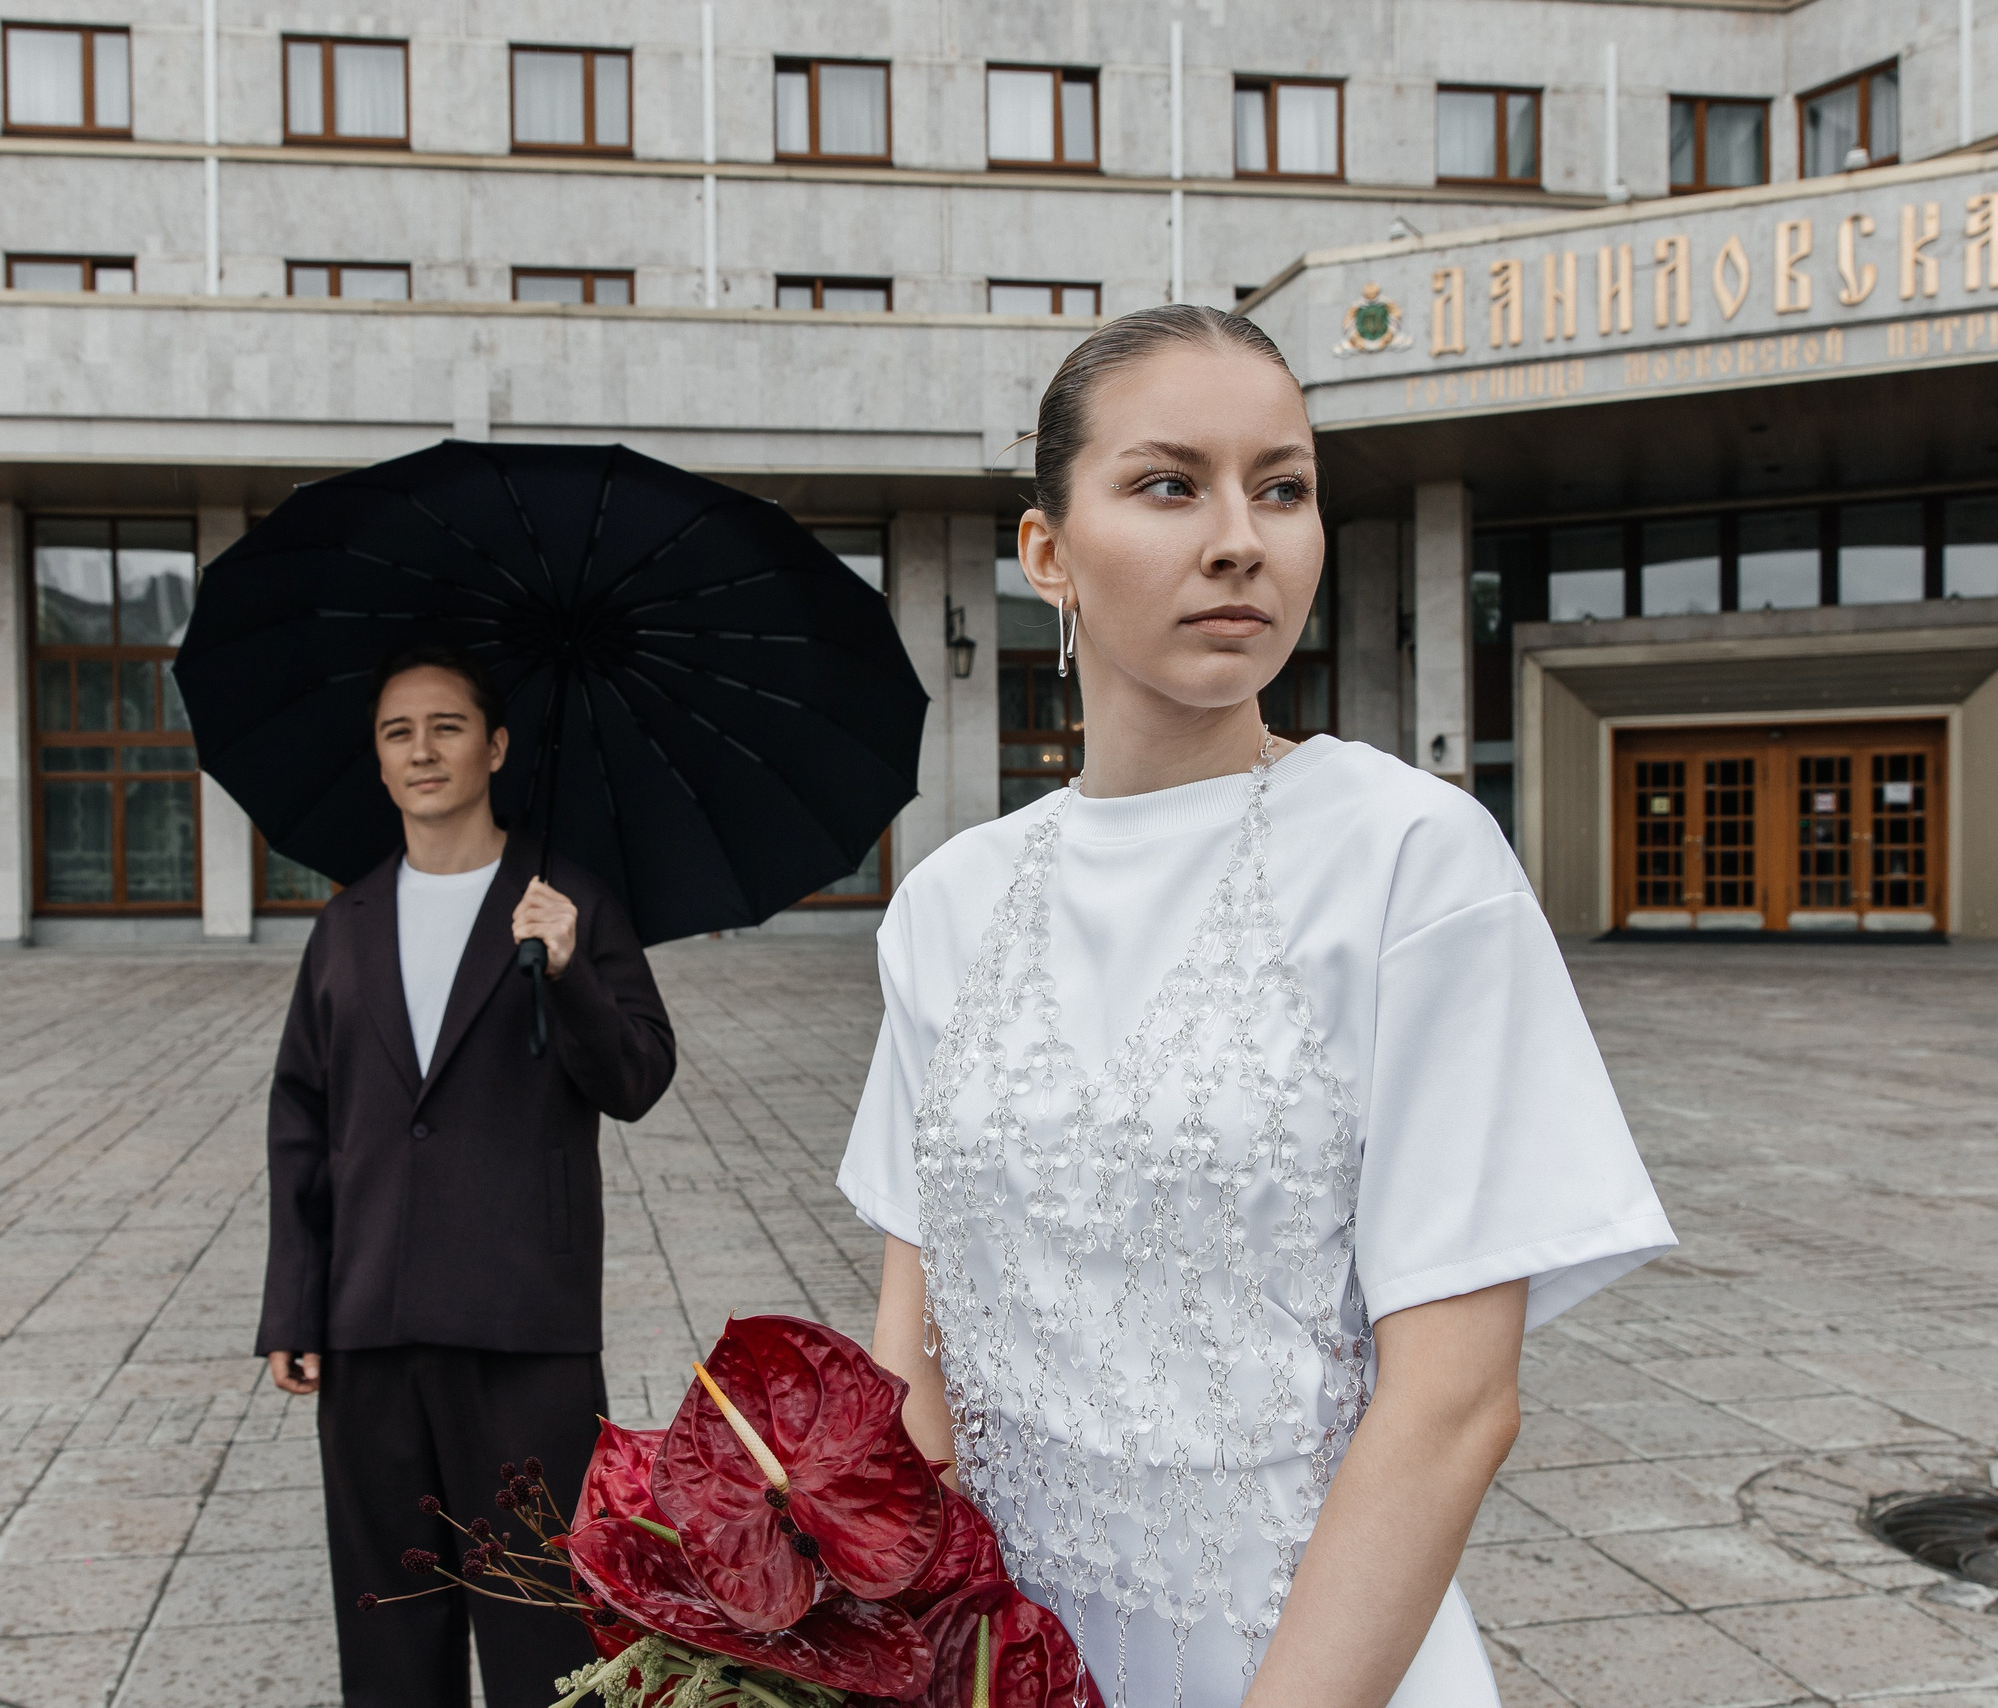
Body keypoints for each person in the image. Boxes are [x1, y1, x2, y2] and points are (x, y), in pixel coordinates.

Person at [837, 306, 1675, 1708]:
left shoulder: (1410, 857)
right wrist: (875, 1647)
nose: (1241, 537)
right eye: (1170, 484)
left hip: (1312, 1661)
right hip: (1004, 1656)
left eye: (1280, 488)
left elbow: (1456, 1402)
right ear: (1046, 551)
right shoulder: (950, 903)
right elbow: (910, 1357)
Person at [255, 646, 677, 1708]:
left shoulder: (567, 899)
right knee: (389, 1621)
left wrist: (573, 974)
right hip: (368, 1329)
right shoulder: (344, 926)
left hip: (520, 1325)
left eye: (446, 726)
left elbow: (635, 1078)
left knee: (542, 1623)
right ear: (380, 760)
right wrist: (293, 1305)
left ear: (493, 747)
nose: (422, 749)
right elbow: (300, 1122)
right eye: (399, 732)